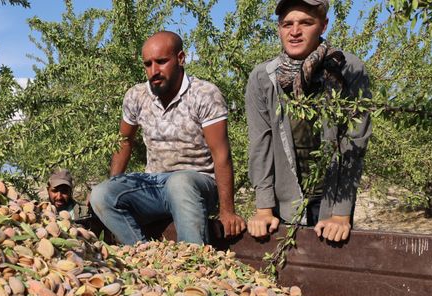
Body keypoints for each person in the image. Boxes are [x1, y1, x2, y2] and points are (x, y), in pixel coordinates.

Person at [90, 31, 245, 245]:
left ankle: (195, 265)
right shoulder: (136, 96)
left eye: (161, 62)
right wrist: (116, 182)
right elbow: (124, 141)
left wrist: (227, 210)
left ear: (180, 59)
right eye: (148, 64)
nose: (154, 71)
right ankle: (142, 255)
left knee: (179, 182)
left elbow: (221, 153)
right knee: (101, 194)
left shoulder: (205, 94)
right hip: (154, 183)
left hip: (198, 183)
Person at [246, 0, 371, 242]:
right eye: (287, 24)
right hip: (283, 203)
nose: (294, 32)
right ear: (279, 28)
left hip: (331, 201)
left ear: (323, 26)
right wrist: (263, 209)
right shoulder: (263, 77)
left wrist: (341, 214)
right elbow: (260, 145)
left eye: (306, 23)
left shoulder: (349, 69)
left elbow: (354, 143)